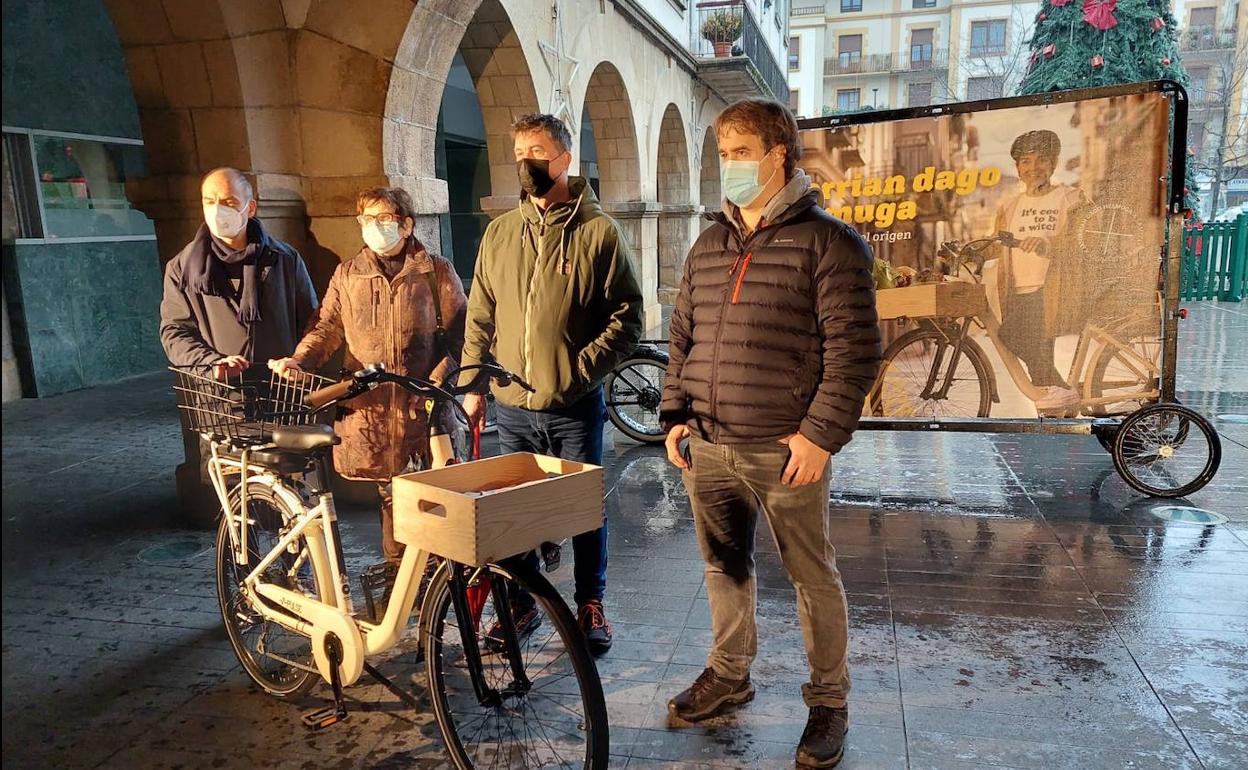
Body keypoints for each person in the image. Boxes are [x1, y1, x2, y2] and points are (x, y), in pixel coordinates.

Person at [660, 98, 881, 769]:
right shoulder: (709, 243)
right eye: (722, 153)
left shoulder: (829, 243)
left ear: (778, 154)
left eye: (739, 153)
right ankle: (730, 674)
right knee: (723, 568)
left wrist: (819, 437)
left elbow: (854, 352)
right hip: (709, 447)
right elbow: (682, 338)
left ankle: (829, 701)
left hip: (786, 450)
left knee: (812, 576)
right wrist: (674, 415)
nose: (728, 165)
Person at [460, 113, 643, 656]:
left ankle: (590, 602)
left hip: (574, 405)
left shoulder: (599, 232)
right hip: (511, 406)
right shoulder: (499, 234)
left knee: (583, 508)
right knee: (515, 510)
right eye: (519, 152)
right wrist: (472, 383)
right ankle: (520, 604)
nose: (526, 163)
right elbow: (480, 315)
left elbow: (627, 318)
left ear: (565, 160)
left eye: (537, 152)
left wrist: (580, 371)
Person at [269, 186, 467, 576]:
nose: (375, 227)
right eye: (367, 219)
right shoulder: (348, 274)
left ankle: (439, 581)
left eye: (384, 219)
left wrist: (436, 381)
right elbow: (327, 327)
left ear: (406, 225)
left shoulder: (435, 271)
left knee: (435, 500)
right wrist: (299, 359)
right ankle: (400, 580)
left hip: (422, 411)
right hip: (372, 414)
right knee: (391, 499)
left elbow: (462, 337)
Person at [160, 167, 318, 524]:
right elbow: (174, 331)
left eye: (229, 202)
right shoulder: (183, 267)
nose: (219, 210)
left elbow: (312, 321)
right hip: (222, 404)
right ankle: (241, 555)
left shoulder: (283, 259)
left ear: (250, 207)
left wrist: (300, 359)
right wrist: (210, 362)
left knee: (290, 499)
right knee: (236, 511)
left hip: (279, 399)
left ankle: (292, 552)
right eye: (210, 201)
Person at [990, 130, 1086, 411]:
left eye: (1042, 159)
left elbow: (1084, 242)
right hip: (1017, 292)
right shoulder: (1010, 207)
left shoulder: (1071, 198)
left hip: (1052, 289)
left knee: (1010, 335)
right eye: (1026, 161)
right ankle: (1058, 413)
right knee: (1038, 365)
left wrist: (1048, 244)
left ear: (1054, 163)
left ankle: (1064, 397)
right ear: (1018, 168)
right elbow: (997, 245)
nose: (1034, 167)